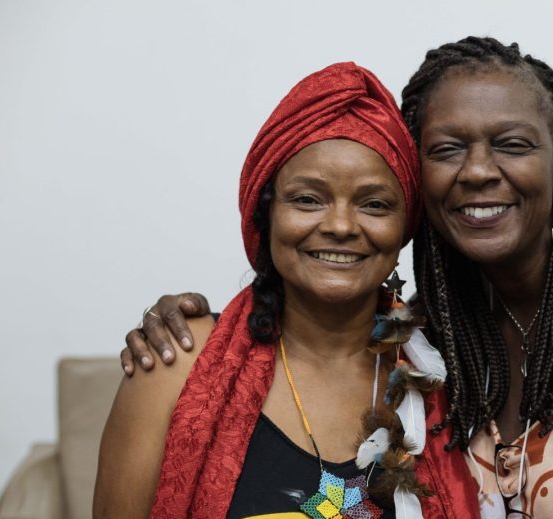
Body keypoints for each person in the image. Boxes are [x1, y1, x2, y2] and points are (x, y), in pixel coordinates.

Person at [123, 37, 553, 518]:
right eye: (447, 148)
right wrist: (192, 328)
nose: (479, 170)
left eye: (512, 144)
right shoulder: (430, 342)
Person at [95, 62, 478, 519]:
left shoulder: (447, 374)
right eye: (307, 199)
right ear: (266, 213)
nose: (339, 225)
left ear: (405, 229)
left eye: (374, 204)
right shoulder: (177, 362)